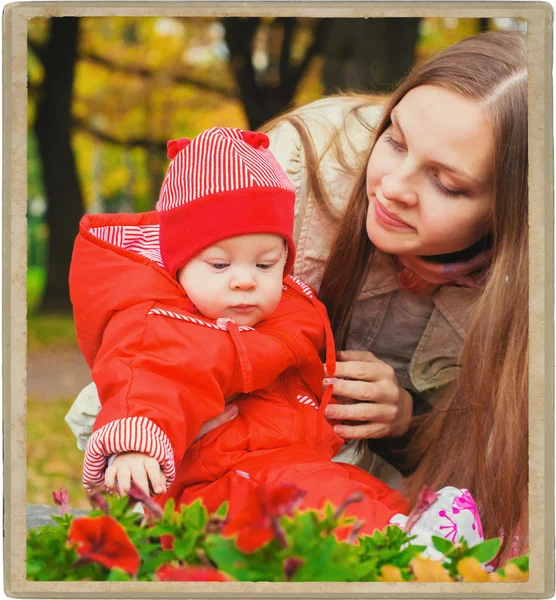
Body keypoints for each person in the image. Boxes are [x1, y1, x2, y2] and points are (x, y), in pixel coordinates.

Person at [67, 30, 527, 560]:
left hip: (332, 468)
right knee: (304, 506)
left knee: (350, 504)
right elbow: (154, 322)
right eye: (396, 140)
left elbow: (500, 452)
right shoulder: (294, 164)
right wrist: (139, 431)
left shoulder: (527, 300)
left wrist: (408, 417)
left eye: (447, 183)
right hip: (216, 466)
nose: (393, 186)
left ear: (512, 210)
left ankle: (420, 542)